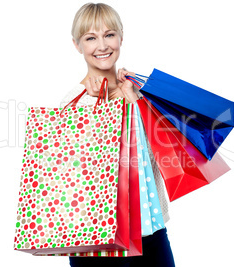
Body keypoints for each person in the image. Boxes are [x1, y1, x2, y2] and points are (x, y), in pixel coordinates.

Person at [61, 3, 175, 267]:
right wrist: (98, 111)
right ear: (77, 45)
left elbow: (165, 153)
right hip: (94, 239)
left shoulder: (140, 92)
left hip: (150, 229)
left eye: (109, 34)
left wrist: (134, 101)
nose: (102, 45)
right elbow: (74, 177)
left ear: (121, 36)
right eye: (91, 38)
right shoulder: (74, 104)